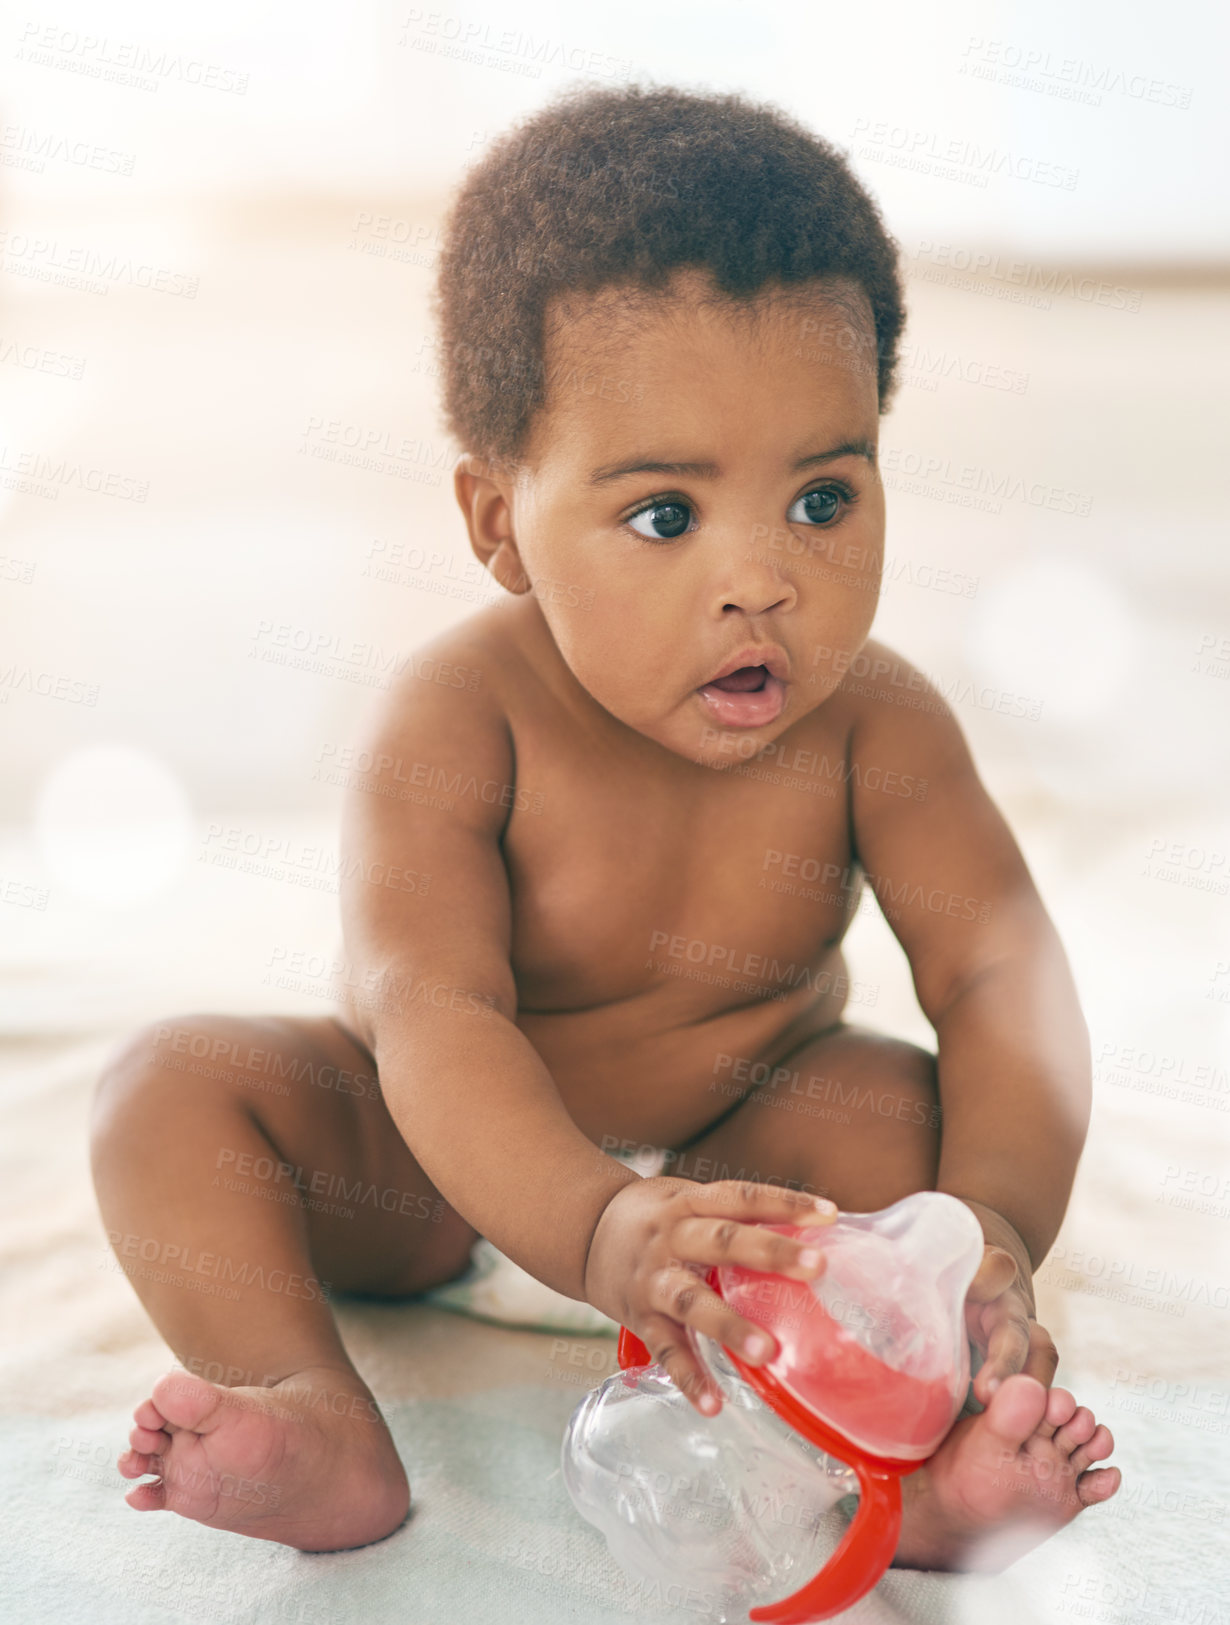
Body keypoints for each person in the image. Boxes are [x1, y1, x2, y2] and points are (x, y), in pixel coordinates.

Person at [90, 82, 1119, 1569]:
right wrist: (588, 1222)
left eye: (823, 496)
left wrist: (994, 1226)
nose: (761, 579)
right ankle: (309, 1409)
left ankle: (925, 1461)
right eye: (663, 517)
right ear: (499, 519)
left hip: (733, 1182)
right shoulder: (456, 716)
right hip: (438, 1179)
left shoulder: (878, 724)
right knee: (171, 1095)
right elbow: (427, 1006)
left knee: (908, 1120)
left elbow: (997, 977)